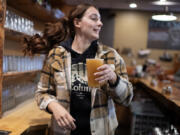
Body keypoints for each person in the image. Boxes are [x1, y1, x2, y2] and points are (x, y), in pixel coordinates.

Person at [23, 4, 133, 135]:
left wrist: (114, 79)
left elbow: (127, 98)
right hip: (62, 131)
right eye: (94, 18)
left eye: (100, 19)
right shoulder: (57, 55)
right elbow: (41, 93)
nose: (100, 23)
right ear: (77, 22)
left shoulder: (110, 56)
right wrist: (54, 106)